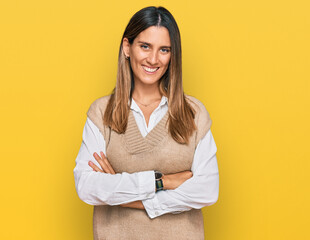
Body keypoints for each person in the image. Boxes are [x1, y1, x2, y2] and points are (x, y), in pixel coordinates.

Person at [73, 6, 219, 240]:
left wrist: (126, 197)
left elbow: (207, 190)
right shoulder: (101, 112)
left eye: (164, 50)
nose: (153, 59)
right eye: (145, 46)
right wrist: (163, 181)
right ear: (127, 47)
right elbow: (88, 187)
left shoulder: (193, 113)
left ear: (173, 55)